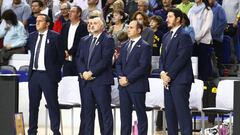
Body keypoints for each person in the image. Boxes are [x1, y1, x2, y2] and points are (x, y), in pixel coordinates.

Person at [26, 14, 64, 135]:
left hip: (48, 75)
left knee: (52, 104)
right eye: (36, 21)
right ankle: (32, 131)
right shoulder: (31, 37)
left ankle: (56, 131)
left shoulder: (55, 37)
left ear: (47, 23)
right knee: (33, 105)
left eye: (40, 21)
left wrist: (54, 71)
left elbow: (61, 57)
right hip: (34, 75)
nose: (37, 23)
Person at [159, 8, 194, 135]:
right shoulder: (166, 36)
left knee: (182, 112)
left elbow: (182, 58)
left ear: (178, 19)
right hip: (167, 80)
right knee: (170, 113)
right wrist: (162, 72)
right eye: (167, 17)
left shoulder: (184, 35)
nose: (167, 19)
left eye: (170, 17)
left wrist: (169, 75)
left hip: (180, 79)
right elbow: (162, 57)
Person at [77, 16, 114, 135]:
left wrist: (91, 72)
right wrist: (83, 72)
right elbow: (79, 58)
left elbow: (105, 60)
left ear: (102, 26)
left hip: (101, 81)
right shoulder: (84, 40)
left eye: (95, 23)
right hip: (86, 82)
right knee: (87, 113)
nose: (91, 25)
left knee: (104, 112)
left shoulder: (108, 39)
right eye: (90, 23)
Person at [116, 20, 151, 135]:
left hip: (137, 85)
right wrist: (121, 77)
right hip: (123, 86)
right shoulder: (125, 45)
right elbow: (118, 63)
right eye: (128, 27)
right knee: (124, 115)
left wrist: (128, 79)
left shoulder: (145, 46)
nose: (128, 29)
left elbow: (143, 67)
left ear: (139, 30)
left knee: (140, 113)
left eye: (131, 27)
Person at [188, 0, 213, 81]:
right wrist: (192, 37)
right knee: (193, 65)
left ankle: (205, 84)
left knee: (203, 64)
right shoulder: (191, 9)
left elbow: (207, 27)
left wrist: (197, 37)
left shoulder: (208, 10)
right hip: (192, 41)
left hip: (204, 41)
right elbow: (189, 24)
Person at [60, 6, 88, 76]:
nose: (69, 13)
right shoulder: (65, 26)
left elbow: (81, 43)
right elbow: (61, 40)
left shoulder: (84, 26)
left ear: (79, 14)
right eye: (69, 11)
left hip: (78, 60)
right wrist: (64, 51)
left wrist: (69, 52)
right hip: (66, 60)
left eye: (72, 11)